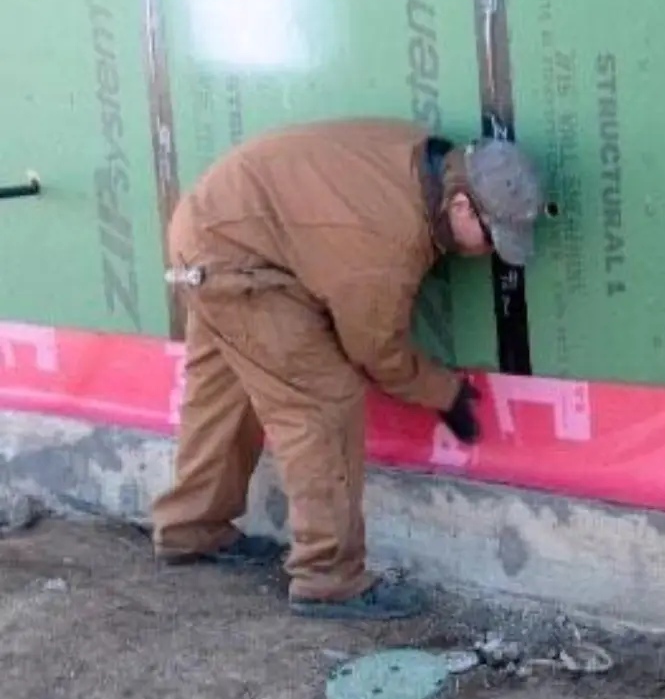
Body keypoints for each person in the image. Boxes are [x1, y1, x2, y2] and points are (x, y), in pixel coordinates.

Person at [151, 118, 543, 620]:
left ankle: (190, 529)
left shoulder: (419, 156)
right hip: (237, 259)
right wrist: (443, 392)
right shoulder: (390, 240)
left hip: (213, 227)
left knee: (222, 393)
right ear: (461, 204)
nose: (490, 252)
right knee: (323, 403)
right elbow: (374, 349)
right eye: (492, 236)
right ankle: (328, 577)